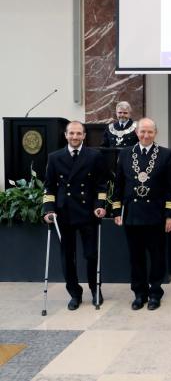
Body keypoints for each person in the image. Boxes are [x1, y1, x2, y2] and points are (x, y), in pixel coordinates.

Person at [112, 118, 171, 311]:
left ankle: (155, 293)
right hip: (132, 214)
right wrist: (116, 210)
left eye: (150, 132)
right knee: (136, 257)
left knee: (157, 257)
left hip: (156, 215)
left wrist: (170, 215)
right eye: (142, 131)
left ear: (155, 133)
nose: (146, 135)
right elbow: (119, 184)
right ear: (136, 132)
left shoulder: (166, 155)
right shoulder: (125, 154)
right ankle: (139, 294)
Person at [43, 121, 108, 310]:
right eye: (71, 133)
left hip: (88, 212)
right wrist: (49, 209)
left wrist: (100, 205)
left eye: (79, 133)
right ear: (65, 135)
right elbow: (49, 187)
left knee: (91, 255)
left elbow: (101, 185)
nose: (75, 137)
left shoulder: (94, 156)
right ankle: (74, 293)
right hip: (64, 213)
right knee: (67, 257)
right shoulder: (54, 157)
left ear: (84, 136)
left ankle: (95, 289)